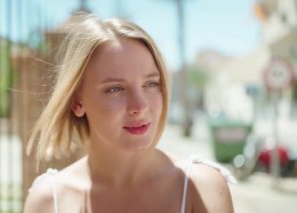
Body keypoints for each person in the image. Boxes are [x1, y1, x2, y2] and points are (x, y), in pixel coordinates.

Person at [24, 12, 235, 213]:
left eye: (151, 83)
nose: (140, 106)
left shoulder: (200, 188)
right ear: (77, 102)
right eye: (115, 89)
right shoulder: (48, 200)